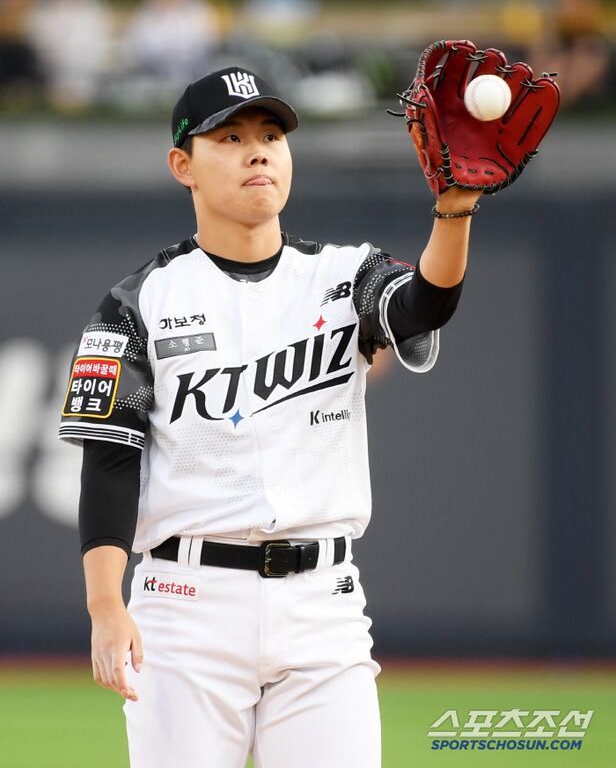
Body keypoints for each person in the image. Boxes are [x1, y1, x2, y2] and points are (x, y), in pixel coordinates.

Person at [59, 66, 479, 767]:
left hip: (323, 608)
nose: (257, 151)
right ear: (183, 165)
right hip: (186, 607)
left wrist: (455, 210)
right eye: (230, 137)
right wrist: (106, 605)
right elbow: (109, 460)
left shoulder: (346, 275)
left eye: (271, 135)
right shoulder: (136, 302)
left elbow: (423, 304)